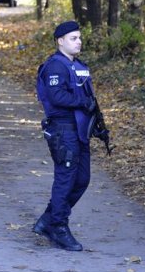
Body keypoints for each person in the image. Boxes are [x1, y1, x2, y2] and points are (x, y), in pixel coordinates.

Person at [33, 21, 98, 251]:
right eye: (73, 38)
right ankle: (58, 226)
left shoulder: (78, 65)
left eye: (79, 37)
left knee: (82, 179)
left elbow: (89, 98)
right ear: (60, 41)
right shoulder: (55, 66)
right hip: (63, 129)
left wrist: (98, 124)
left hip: (79, 131)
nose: (78, 41)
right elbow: (57, 96)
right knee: (66, 178)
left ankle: (49, 220)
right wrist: (83, 102)